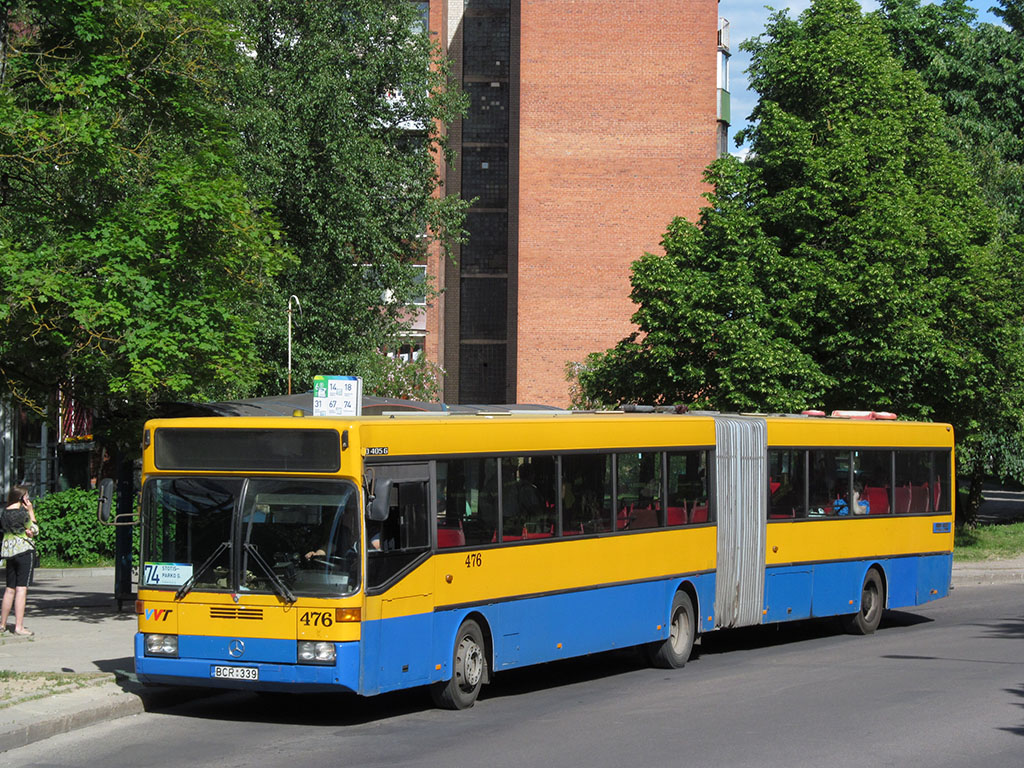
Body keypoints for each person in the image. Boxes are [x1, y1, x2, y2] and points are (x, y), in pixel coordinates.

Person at [1, 485, 39, 636]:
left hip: (10, 553)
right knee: (21, 588)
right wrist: (31, 511)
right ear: (22, 498)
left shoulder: (4, 513)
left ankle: (2, 624)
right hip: (24, 552)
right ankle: (19, 626)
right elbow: (35, 530)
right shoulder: (22, 513)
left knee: (10, 589)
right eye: (27, 496)